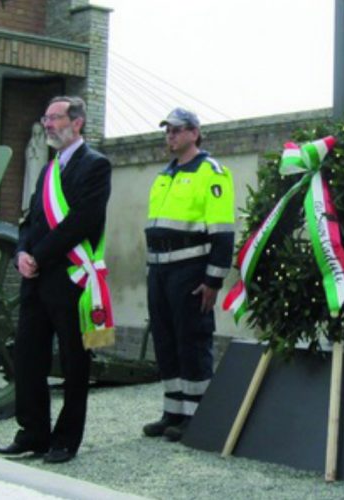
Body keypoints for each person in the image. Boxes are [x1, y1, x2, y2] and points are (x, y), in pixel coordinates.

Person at [0, 96, 112, 463]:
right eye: (45, 118)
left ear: (77, 123)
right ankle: (33, 432)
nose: (47, 124)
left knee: (75, 362)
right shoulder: (47, 170)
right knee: (28, 357)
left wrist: (38, 255)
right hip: (36, 278)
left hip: (70, 278)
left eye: (55, 118)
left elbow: (81, 221)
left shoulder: (95, 165)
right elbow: (30, 220)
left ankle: (65, 440)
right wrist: (21, 253)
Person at [142, 108, 234, 442]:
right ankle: (173, 411)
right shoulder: (164, 175)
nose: (170, 136)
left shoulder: (211, 173)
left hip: (190, 269)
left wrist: (213, 280)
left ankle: (197, 415)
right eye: (167, 131)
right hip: (160, 270)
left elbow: (223, 232)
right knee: (165, 341)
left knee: (192, 341)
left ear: (195, 133)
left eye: (177, 130)